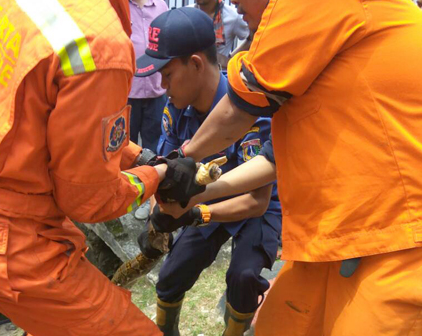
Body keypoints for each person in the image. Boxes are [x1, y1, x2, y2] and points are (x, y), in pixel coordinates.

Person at [161, 0, 422, 335]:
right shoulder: (314, 54)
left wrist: (183, 160)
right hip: (338, 237)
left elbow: (240, 108)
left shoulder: (313, 7)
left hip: (400, 236)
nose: (232, 2)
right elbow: (271, 160)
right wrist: (195, 193)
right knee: (279, 324)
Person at [0, 1, 203, 335]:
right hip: (11, 239)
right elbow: (88, 200)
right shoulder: (100, 45)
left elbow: (62, 128)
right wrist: (156, 176)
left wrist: (140, 157)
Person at [135, 7, 281, 336]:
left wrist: (193, 214)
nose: (161, 85)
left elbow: (256, 202)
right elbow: (166, 172)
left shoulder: (252, 111)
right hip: (204, 204)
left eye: (167, 74)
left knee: (242, 279)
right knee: (171, 275)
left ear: (196, 64)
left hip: (256, 206)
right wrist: (158, 220)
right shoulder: (175, 110)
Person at [128, 0, 168, 220]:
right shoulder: (119, 6)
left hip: (156, 91)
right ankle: (123, 196)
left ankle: (148, 197)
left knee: (154, 149)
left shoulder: (160, 6)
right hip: (128, 91)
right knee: (125, 147)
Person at [192, 0, 249, 69]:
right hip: (190, 71)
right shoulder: (187, 13)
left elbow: (253, 39)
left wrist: (231, 59)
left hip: (217, 74)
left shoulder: (232, 16)